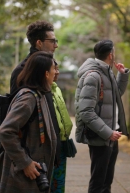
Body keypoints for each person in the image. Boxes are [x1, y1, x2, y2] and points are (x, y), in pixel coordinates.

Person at [0, 51, 57, 193]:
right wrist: (24, 162)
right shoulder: (28, 99)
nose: (56, 72)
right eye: (53, 69)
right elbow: (5, 131)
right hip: (20, 175)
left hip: (32, 174)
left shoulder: (40, 94)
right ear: (45, 74)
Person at [75, 39, 130, 193]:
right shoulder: (93, 76)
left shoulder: (107, 72)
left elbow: (115, 96)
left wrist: (122, 76)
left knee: (106, 182)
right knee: (98, 183)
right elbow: (85, 111)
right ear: (111, 55)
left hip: (111, 134)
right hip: (102, 136)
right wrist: (108, 132)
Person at [9, 20, 61, 168]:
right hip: (33, 153)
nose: (56, 45)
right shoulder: (23, 71)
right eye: (52, 41)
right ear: (39, 43)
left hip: (50, 148)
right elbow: (14, 119)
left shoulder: (50, 68)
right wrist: (24, 161)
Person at [50, 64, 73, 193]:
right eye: (54, 69)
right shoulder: (43, 91)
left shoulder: (56, 89)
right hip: (51, 144)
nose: (57, 72)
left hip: (62, 142)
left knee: (59, 182)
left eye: (58, 69)